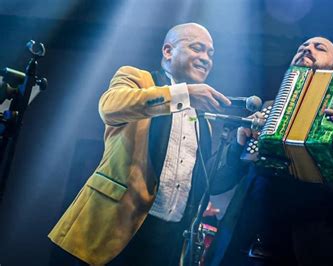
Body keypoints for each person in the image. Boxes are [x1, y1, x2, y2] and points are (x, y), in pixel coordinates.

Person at [48, 23, 233, 266]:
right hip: (112, 227)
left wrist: (241, 149)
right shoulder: (137, 78)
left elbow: (210, 182)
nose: (205, 58)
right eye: (197, 48)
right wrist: (182, 94)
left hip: (167, 243)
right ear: (168, 51)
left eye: (210, 53)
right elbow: (110, 107)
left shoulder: (202, 120)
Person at [205, 36, 333, 266]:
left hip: (314, 250)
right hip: (252, 246)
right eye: (302, 47)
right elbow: (215, 183)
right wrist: (238, 147)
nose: (307, 49)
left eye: (320, 48)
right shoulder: (268, 111)